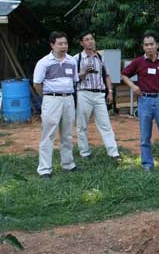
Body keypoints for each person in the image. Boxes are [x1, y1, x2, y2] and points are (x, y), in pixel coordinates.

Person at [121, 32, 159, 171]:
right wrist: (133, 86)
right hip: (144, 101)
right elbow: (124, 74)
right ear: (143, 47)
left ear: (157, 45)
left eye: (151, 44)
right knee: (145, 137)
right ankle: (147, 165)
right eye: (146, 45)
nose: (149, 47)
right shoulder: (138, 62)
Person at [33, 31, 78, 178]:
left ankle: (68, 164)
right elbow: (37, 84)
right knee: (48, 134)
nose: (64, 46)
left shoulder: (72, 61)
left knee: (67, 134)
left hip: (69, 99)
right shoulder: (44, 62)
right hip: (51, 100)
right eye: (60, 44)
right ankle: (45, 169)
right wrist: (47, 97)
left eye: (65, 43)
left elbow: (74, 80)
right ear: (52, 45)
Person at [74, 31, 120, 161]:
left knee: (105, 124)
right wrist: (83, 73)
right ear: (81, 43)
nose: (90, 41)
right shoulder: (76, 59)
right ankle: (84, 153)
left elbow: (107, 75)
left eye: (92, 39)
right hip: (83, 93)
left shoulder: (100, 57)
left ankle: (113, 153)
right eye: (87, 39)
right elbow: (72, 78)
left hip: (99, 94)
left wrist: (110, 91)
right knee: (82, 125)